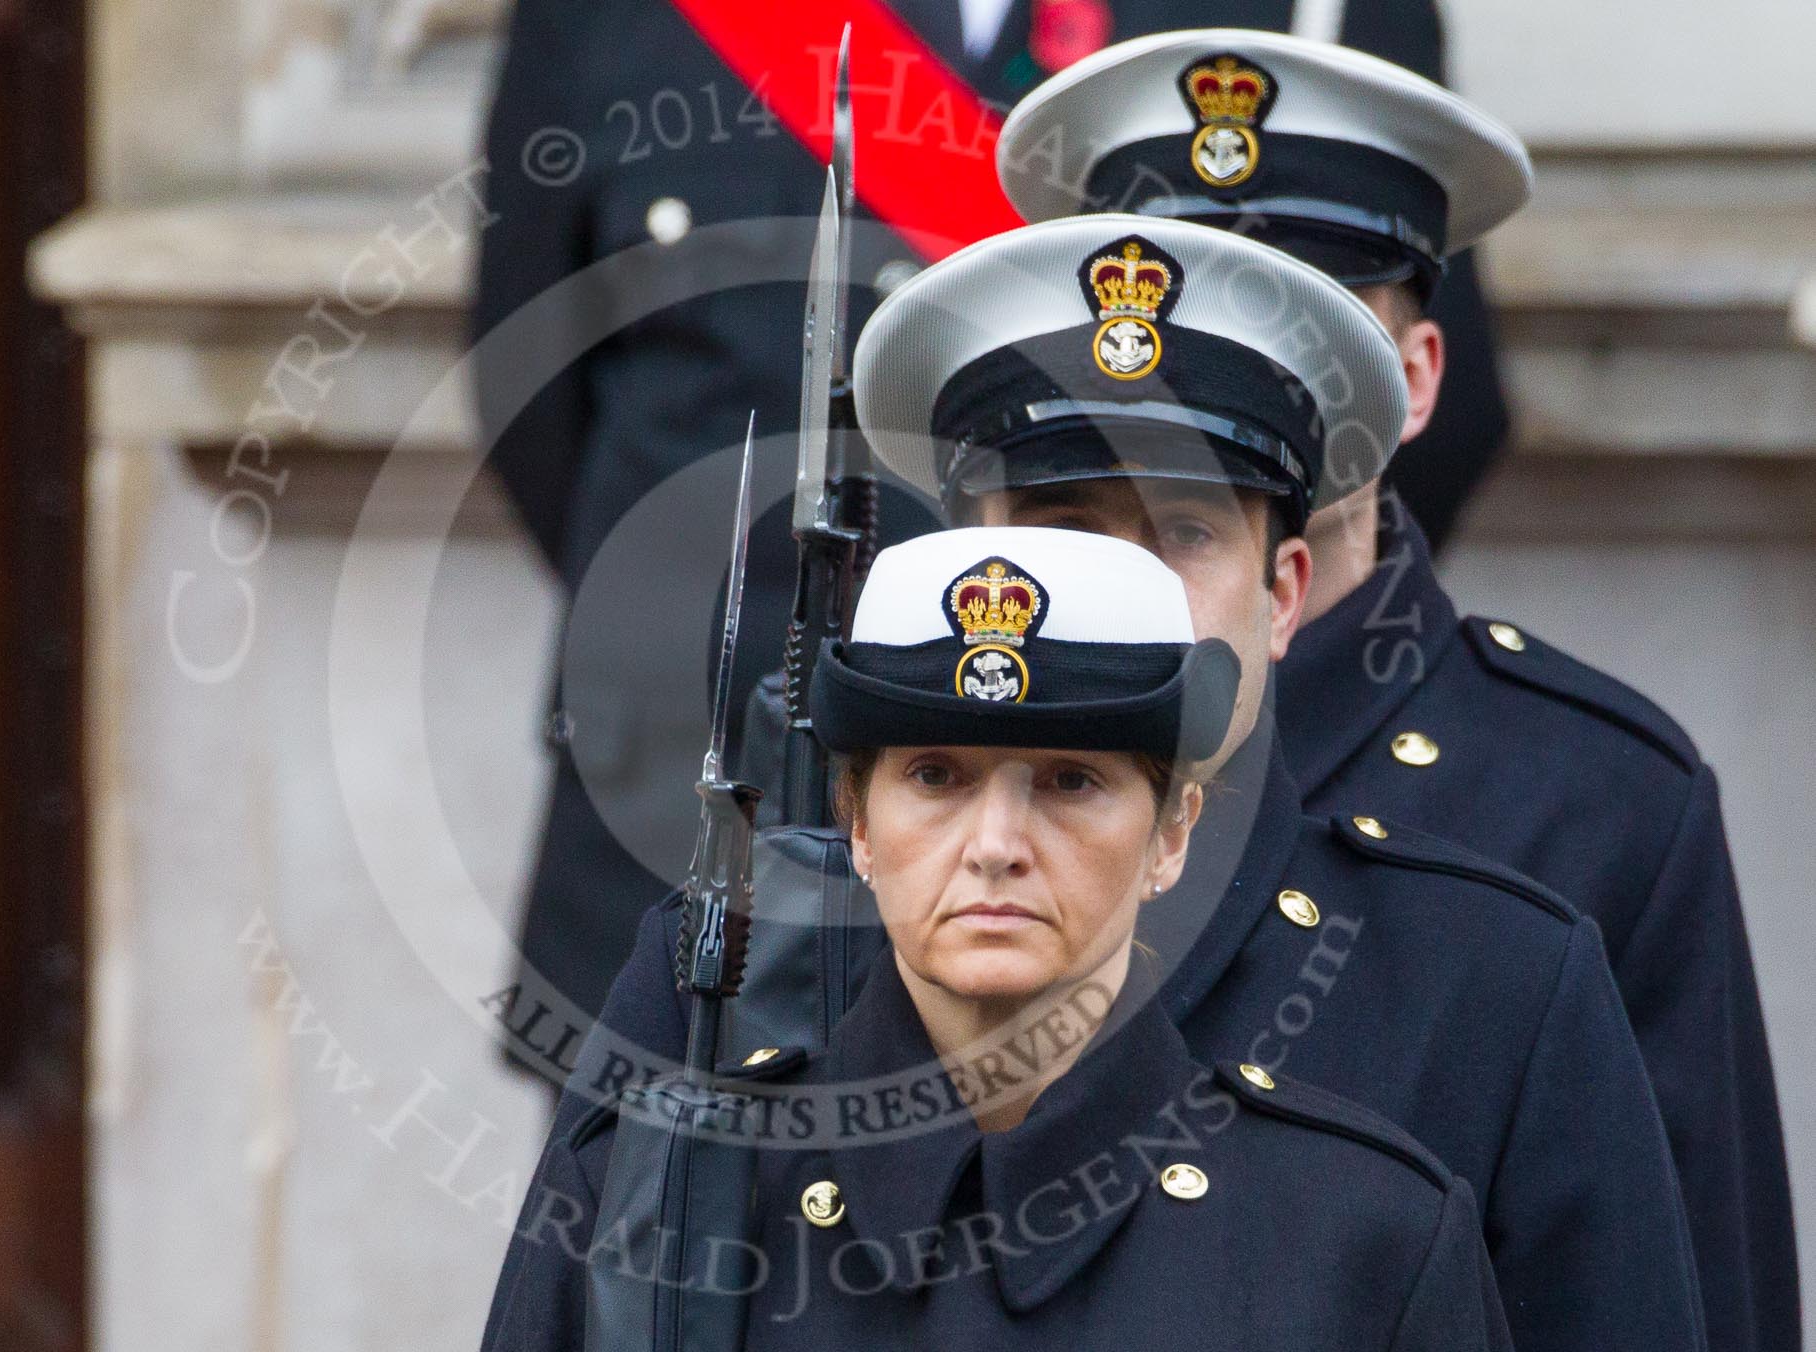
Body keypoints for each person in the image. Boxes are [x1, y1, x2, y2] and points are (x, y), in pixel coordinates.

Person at [537, 216, 1706, 1352]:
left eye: (1186, 533)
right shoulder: (737, 957)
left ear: (1286, 589)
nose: (1119, 595)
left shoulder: (1494, 980)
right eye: (1062, 526)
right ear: (970, 558)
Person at [987, 31, 1795, 1352]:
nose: (1218, 379)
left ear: (1416, 378)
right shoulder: (925, 788)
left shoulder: (1596, 799)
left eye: (1289, 322)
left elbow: (1694, 1302)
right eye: (1181, 316)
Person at [472, 0, 1505, 1032]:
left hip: (1115, 876)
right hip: (692, 829)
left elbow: (1389, 439)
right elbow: (529, 386)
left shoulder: (1305, 21)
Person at [483, 526, 1514, 1352]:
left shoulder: (1362, 1239)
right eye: (936, 775)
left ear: (1172, 834)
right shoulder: (653, 1195)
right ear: (856, 821)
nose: (996, 845)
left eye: (1072, 781)